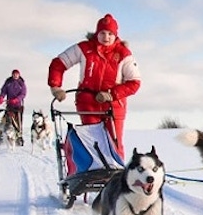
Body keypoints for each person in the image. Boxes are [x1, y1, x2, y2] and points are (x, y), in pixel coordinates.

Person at [47, 13, 141, 158]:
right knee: (93, 142)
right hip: (88, 103)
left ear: (115, 35)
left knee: (114, 144)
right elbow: (58, 64)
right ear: (97, 33)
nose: (106, 37)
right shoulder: (84, 49)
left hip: (114, 106)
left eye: (110, 33)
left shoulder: (123, 54)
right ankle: (93, 175)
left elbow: (134, 83)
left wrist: (111, 94)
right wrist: (56, 86)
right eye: (102, 33)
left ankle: (116, 175)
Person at [0, 69, 26, 145]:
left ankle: (19, 135)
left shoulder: (21, 83)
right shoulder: (8, 82)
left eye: (17, 74)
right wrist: (1, 98)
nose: (15, 75)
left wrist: (16, 99)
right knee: (7, 119)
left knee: (18, 121)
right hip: (9, 105)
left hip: (18, 106)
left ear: (19, 75)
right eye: (14, 74)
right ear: (12, 75)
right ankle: (3, 134)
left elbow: (23, 94)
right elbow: (3, 91)